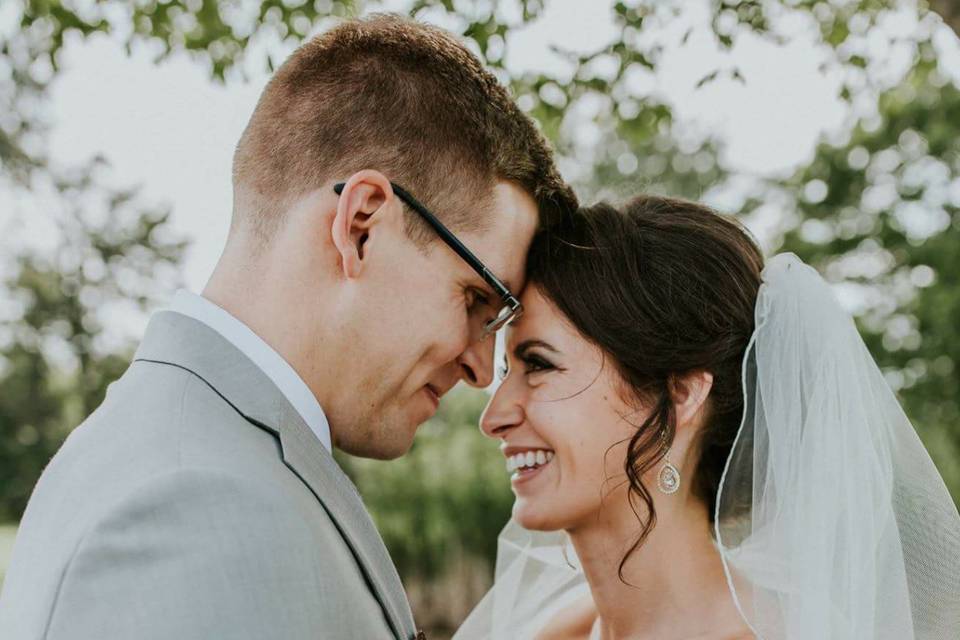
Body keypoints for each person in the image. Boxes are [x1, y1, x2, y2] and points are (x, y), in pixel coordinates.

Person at [0, 14, 574, 640]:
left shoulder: (180, 455)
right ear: (361, 225)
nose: (481, 366)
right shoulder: (189, 510)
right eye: (473, 301)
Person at [457, 196, 960, 639]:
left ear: (680, 395)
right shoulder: (550, 633)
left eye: (539, 365)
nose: (494, 417)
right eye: (507, 369)